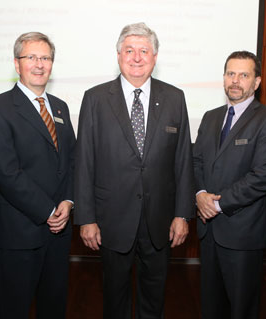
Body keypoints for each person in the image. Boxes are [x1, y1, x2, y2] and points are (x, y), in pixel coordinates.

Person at [74, 22, 195, 319]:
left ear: (155, 57)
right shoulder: (95, 98)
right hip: (111, 220)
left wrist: (182, 214)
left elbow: (183, 160)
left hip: (160, 220)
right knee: (114, 298)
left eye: (144, 51)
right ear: (118, 56)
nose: (137, 57)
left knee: (154, 298)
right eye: (129, 50)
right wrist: (86, 218)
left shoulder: (174, 98)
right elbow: (84, 161)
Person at [0, 32, 76, 319]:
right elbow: (6, 172)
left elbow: (71, 161)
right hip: (21, 232)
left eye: (45, 58)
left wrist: (69, 201)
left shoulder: (60, 107)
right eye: (31, 57)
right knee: (15, 309)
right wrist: (47, 210)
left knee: (54, 306)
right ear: (16, 63)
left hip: (59, 232)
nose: (39, 64)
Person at [193, 51, 266, 319]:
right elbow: (196, 161)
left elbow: (264, 176)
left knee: (241, 309)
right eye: (231, 74)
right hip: (208, 231)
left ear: (256, 82)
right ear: (223, 78)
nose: (236, 81)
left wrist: (217, 204)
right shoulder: (211, 117)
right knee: (211, 307)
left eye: (243, 75)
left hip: (243, 234)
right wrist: (199, 194)